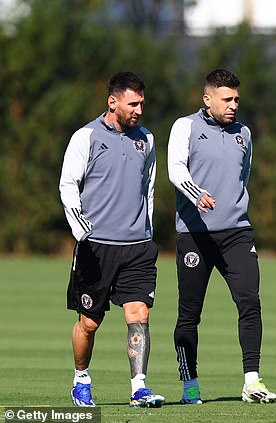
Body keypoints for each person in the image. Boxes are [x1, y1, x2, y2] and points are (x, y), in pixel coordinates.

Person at [168, 69, 276, 405]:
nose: (233, 106)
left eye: (236, 100)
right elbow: (175, 169)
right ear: (207, 99)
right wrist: (196, 193)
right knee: (189, 314)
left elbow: (242, 177)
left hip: (237, 234)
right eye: (227, 99)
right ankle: (190, 385)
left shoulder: (244, 132)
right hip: (195, 235)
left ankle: (252, 381)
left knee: (250, 303)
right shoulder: (185, 126)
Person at [59, 72, 165, 408]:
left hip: (137, 246)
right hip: (96, 246)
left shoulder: (146, 139)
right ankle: (81, 380)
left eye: (142, 104)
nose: (138, 110)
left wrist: (147, 232)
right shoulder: (85, 137)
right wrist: (80, 229)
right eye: (132, 104)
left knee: (139, 314)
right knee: (89, 324)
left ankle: (139, 387)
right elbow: (67, 185)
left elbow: (148, 188)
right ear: (112, 102)